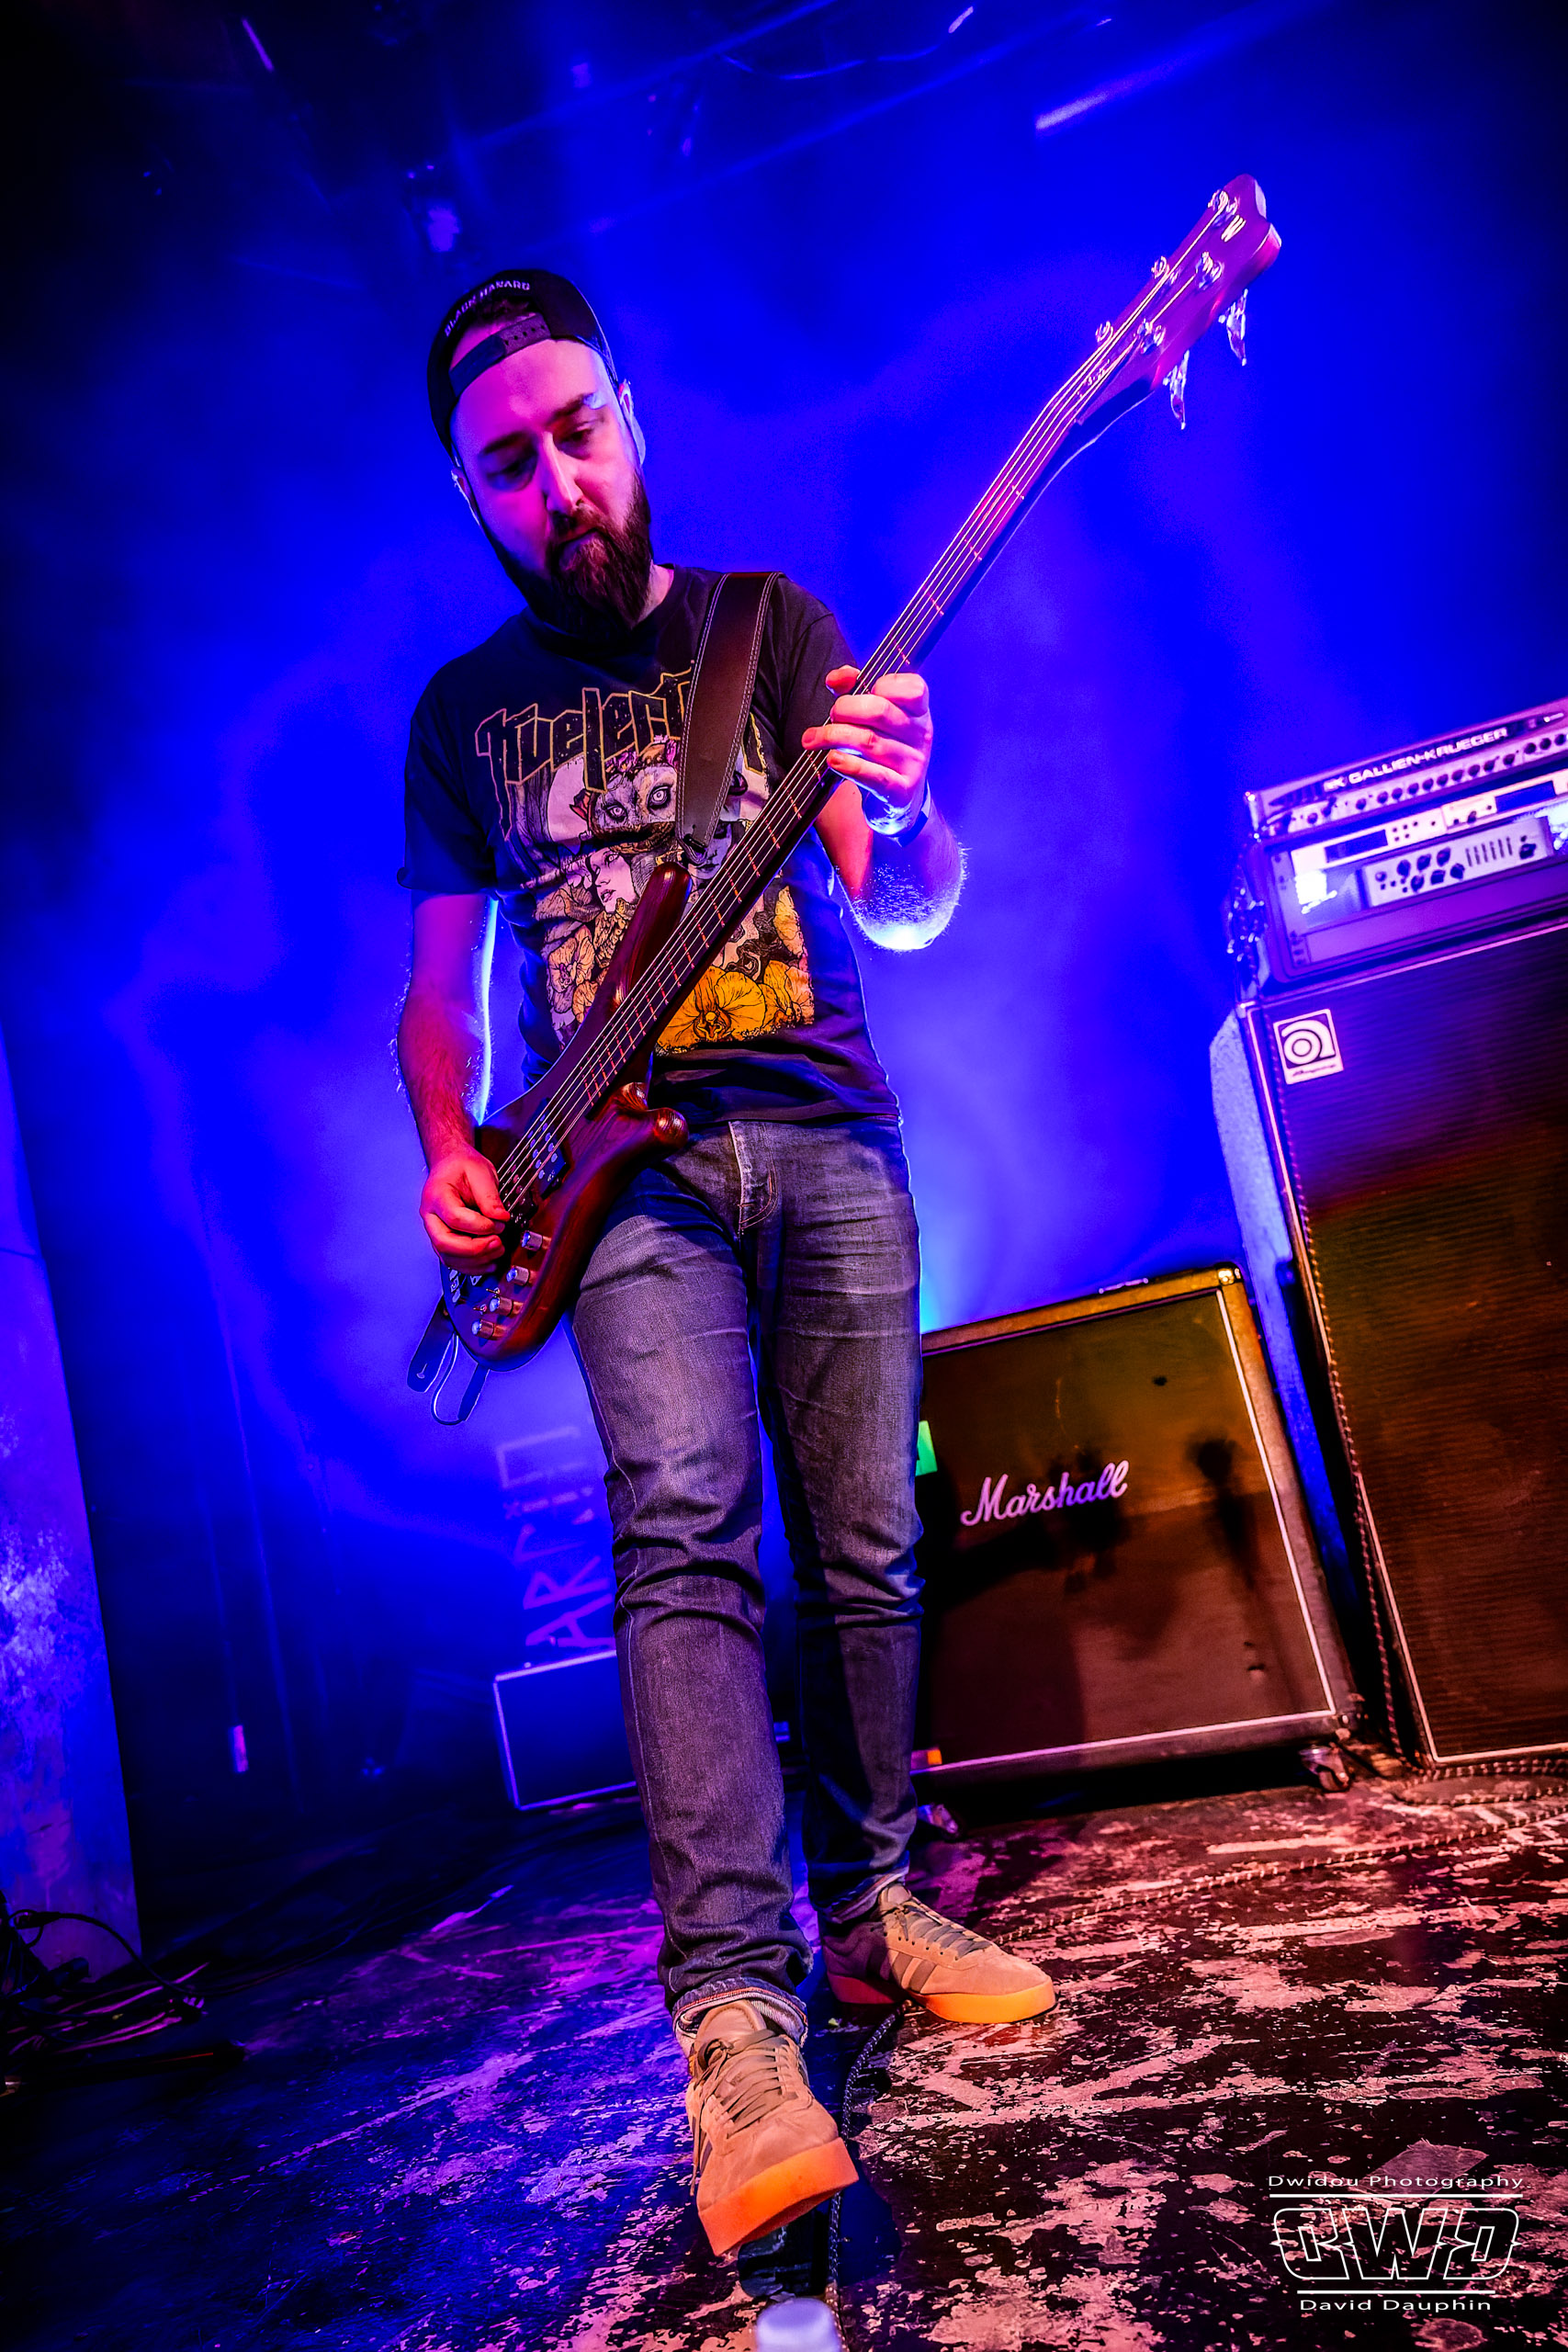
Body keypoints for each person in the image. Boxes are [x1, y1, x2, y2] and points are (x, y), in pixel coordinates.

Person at [396, 269, 1055, 2259]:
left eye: (576, 430)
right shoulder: (463, 716)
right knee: (684, 1529)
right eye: (508, 463)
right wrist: (452, 1146)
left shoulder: (773, 630)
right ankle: (738, 2031)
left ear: (633, 417)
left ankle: (870, 1908)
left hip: (829, 1124)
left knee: (864, 1539)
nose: (556, 480)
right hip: (618, 1179)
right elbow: (437, 998)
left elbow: (905, 905)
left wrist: (909, 810)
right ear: (470, 492)